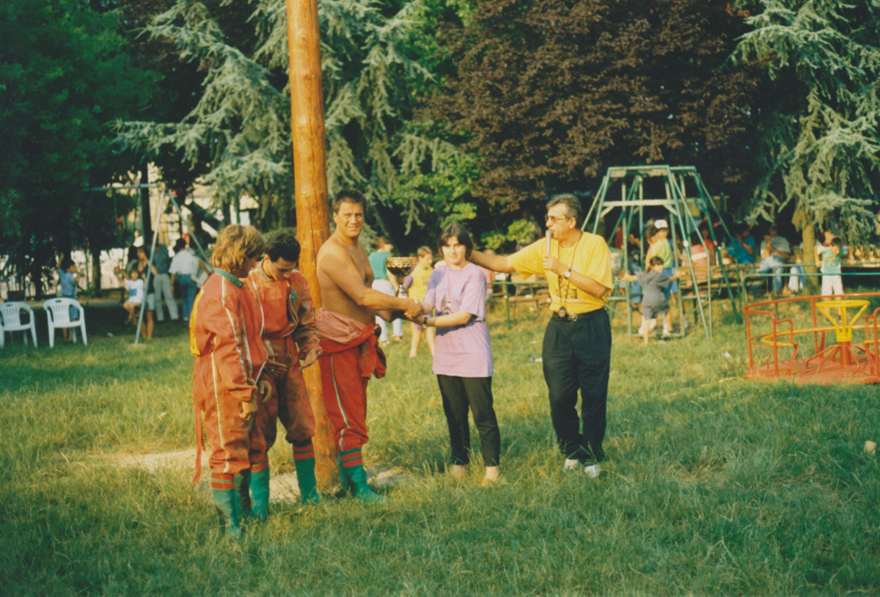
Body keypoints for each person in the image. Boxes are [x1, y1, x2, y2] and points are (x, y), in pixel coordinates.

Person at [470, 194, 613, 478]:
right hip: (559, 327)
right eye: (547, 218)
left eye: (553, 219)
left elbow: (599, 289)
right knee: (560, 395)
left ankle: (593, 455)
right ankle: (572, 450)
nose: (547, 225)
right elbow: (503, 263)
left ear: (572, 221)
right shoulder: (545, 246)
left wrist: (563, 269)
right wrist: (465, 250)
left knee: (594, 395)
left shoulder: (595, 244)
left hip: (591, 324)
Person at [316, 190, 423, 501]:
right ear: (334, 216)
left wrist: (399, 301)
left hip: (359, 339)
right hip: (337, 343)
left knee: (356, 411)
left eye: (358, 214)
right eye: (347, 214)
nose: (353, 220)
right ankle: (359, 486)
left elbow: (368, 298)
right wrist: (409, 305)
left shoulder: (359, 248)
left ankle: (354, 482)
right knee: (346, 416)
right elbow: (363, 297)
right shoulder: (333, 253)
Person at [190, 224, 270, 538]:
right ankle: (230, 526)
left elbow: (251, 339)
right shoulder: (219, 291)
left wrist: (258, 378)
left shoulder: (238, 286)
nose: (257, 262)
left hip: (243, 380)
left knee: (253, 445)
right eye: (254, 256)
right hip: (222, 383)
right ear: (240, 254)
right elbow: (230, 348)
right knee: (228, 450)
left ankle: (253, 512)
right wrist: (243, 392)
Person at [415, 224, 501, 486]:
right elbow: (429, 302)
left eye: (458, 245)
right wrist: (412, 308)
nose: (452, 250)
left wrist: (426, 323)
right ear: (441, 249)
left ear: (466, 247)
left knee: (482, 415)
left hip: (472, 354)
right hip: (446, 355)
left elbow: (464, 315)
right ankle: (459, 464)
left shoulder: (475, 274)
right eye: (447, 245)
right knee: (454, 414)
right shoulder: (438, 271)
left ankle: (492, 470)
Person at [246, 231, 323, 506]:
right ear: (266, 259)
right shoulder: (248, 283)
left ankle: (311, 497)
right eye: (282, 269)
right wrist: (258, 358)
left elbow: (307, 320)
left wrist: (311, 346)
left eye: (291, 269)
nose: (286, 274)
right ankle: (261, 506)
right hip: (259, 362)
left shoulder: (297, 280)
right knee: (258, 435)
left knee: (302, 426)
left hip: (289, 357)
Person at [622, 257, 682, 344]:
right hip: (657, 298)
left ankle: (646, 342)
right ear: (653, 266)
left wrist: (627, 276)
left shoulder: (645, 274)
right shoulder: (659, 276)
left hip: (646, 300)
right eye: (658, 265)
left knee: (647, 321)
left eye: (661, 265)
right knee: (667, 310)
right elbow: (669, 280)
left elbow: (634, 278)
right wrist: (677, 276)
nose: (660, 267)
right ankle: (670, 329)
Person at [368, 236, 403, 345]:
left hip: (375, 284)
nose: (391, 247)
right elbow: (390, 274)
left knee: (379, 312)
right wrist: (397, 287)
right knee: (395, 309)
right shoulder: (389, 257)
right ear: (384, 245)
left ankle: (383, 339)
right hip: (386, 283)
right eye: (390, 244)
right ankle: (397, 335)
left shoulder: (371, 256)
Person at [403, 246, 436, 358]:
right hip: (417, 307)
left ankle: (433, 352)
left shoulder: (431, 271)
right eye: (427, 259)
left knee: (430, 328)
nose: (430, 261)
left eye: (431, 259)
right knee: (417, 331)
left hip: (427, 305)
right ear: (420, 258)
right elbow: (404, 287)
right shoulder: (414, 273)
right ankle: (413, 352)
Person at [170, 238, 210, 324]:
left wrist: (172, 285)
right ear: (185, 245)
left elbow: (172, 272)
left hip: (181, 278)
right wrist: (207, 271)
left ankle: (185, 317)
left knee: (184, 298)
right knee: (191, 298)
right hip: (190, 277)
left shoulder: (176, 257)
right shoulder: (190, 254)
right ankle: (190, 319)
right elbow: (199, 262)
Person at [145, 234, 179, 323]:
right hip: (155, 275)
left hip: (164, 273)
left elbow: (166, 258)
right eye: (152, 238)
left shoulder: (163, 247)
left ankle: (174, 316)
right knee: (157, 297)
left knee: (169, 296)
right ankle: (160, 318)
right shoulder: (148, 249)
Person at [757, 226, 791, 294]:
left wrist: (773, 250)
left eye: (774, 230)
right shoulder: (764, 242)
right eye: (771, 230)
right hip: (767, 260)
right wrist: (769, 242)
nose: (773, 232)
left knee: (777, 271)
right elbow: (766, 255)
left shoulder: (782, 240)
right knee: (760, 272)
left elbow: (786, 255)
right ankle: (753, 291)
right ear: (768, 231)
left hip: (778, 259)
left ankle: (775, 291)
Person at [134, 247, 156, 340]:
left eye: (141, 252)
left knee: (149, 314)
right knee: (139, 314)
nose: (139, 255)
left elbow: (155, 273)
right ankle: (144, 335)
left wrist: (148, 262)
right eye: (138, 253)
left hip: (149, 291)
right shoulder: (136, 264)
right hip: (139, 293)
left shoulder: (150, 262)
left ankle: (149, 337)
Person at [58, 257, 79, 341]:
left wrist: (60, 259)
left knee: (64, 316)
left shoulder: (62, 274)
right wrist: (78, 274)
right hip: (71, 298)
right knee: (73, 317)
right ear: (68, 269)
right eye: (73, 267)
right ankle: (71, 336)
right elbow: (76, 281)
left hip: (64, 298)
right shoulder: (70, 276)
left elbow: (58, 268)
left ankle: (65, 336)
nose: (74, 268)